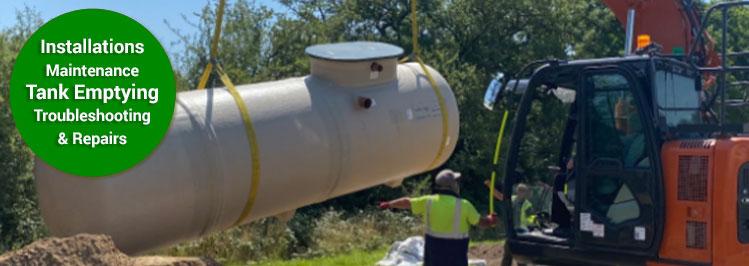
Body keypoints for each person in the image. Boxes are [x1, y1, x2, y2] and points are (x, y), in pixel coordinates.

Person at [379, 169, 497, 266]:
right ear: (452, 186)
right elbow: (481, 223)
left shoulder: (428, 202)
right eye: (456, 182)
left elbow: (407, 202)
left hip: (433, 258)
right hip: (456, 259)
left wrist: (390, 204)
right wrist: (490, 220)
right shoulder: (464, 205)